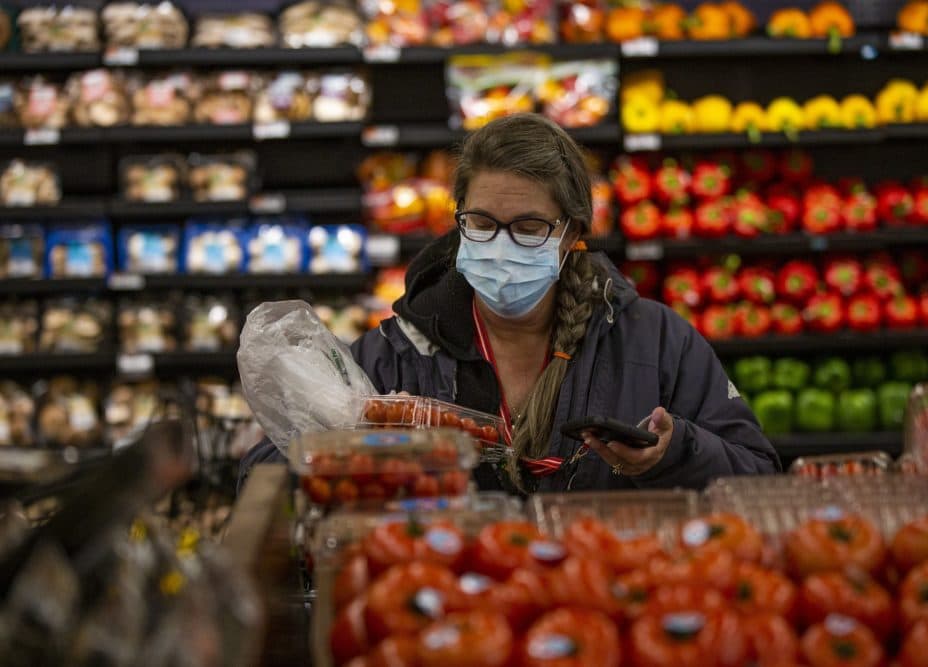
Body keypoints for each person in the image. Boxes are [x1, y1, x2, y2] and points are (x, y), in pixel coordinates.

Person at [239, 112, 778, 493]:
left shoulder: (655, 342)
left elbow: (758, 472)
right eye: (481, 224)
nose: (500, 244)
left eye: (528, 228)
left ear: (570, 236)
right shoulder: (396, 353)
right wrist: (356, 450)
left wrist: (674, 452)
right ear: (459, 222)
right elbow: (260, 473)